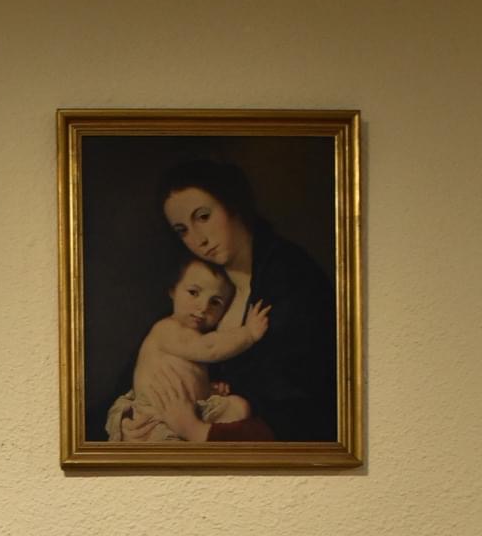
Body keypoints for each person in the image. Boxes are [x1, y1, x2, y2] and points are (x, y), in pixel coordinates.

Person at [121, 157, 337, 444]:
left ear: (232, 204)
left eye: (203, 217)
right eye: (183, 230)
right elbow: (138, 371)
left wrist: (202, 429)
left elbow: (301, 403)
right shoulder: (199, 288)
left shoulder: (291, 277)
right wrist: (128, 420)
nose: (198, 239)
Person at [104, 251, 270, 445]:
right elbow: (210, 348)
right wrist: (248, 334)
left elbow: (188, 376)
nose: (203, 307)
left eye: (215, 302)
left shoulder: (193, 337)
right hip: (156, 417)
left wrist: (208, 388)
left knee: (240, 407)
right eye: (193, 292)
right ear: (173, 291)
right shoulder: (167, 329)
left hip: (193, 410)